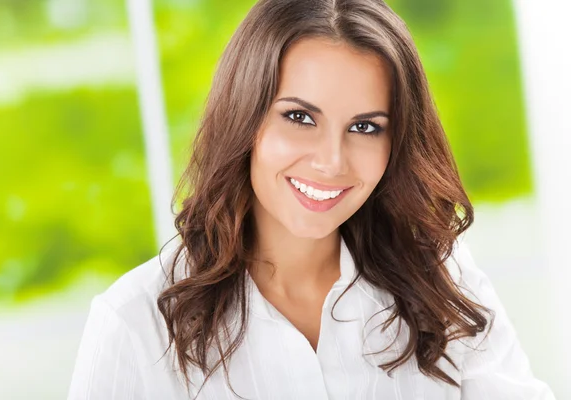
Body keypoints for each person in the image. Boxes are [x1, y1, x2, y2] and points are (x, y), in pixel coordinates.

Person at [67, 0, 556, 399]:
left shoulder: (441, 281)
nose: (331, 161)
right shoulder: (135, 325)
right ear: (246, 117)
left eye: (365, 127)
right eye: (300, 117)